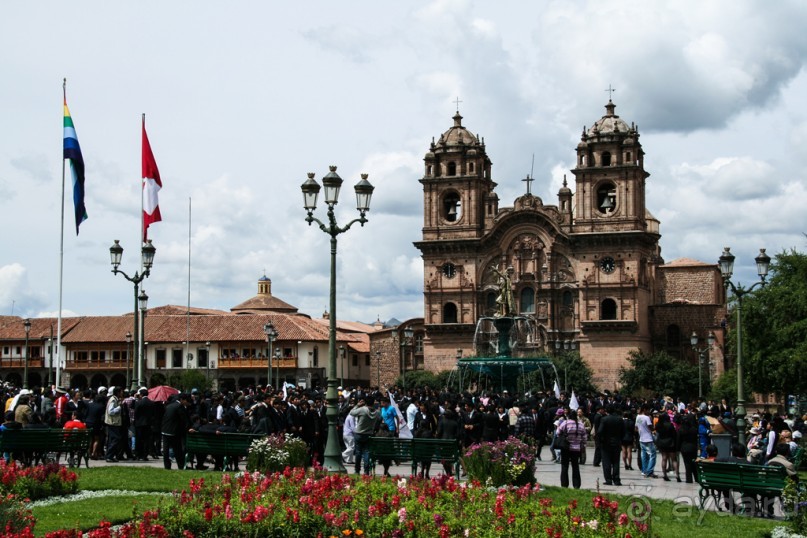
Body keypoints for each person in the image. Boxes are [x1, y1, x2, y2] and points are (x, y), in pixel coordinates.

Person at [557, 408, 588, 489]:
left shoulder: (565, 423)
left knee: (564, 466)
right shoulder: (581, 424)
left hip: (566, 448)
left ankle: (564, 485)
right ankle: (576, 485)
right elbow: (584, 438)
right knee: (575, 466)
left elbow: (558, 433)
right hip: (576, 449)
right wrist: (583, 445)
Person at [161, 393, 192, 470]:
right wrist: (187, 428)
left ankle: (167, 466)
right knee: (177, 450)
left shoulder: (169, 405)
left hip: (165, 430)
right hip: (174, 431)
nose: (186, 402)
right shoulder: (179, 406)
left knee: (166, 450)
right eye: (185, 400)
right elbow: (184, 420)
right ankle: (181, 465)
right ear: (181, 400)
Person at [597, 404, 625, 486]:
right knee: (616, 462)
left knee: (606, 462)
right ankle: (616, 480)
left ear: (606, 410)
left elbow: (599, 431)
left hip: (606, 443)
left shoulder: (604, 419)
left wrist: (600, 440)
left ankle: (608, 479)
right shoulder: (620, 419)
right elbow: (623, 432)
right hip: (616, 443)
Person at [350, 397, 378, 476]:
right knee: (366, 452)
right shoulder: (376, 412)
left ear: (365, 402)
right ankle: (366, 471)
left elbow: (352, 412)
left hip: (359, 433)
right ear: (373, 403)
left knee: (358, 452)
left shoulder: (362, 409)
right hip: (369, 434)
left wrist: (357, 405)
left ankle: (357, 470)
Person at [655, 412, 680, 482]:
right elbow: (674, 434)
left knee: (664, 458)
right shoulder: (670, 425)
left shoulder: (658, 425)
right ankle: (677, 475)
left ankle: (664, 474)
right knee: (674, 459)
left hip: (662, 443)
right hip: (671, 443)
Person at [635, 404, 657, 478]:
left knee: (644, 455)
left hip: (641, 438)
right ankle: (649, 471)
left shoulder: (637, 417)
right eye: (648, 410)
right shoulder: (646, 417)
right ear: (644, 409)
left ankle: (644, 471)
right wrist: (653, 430)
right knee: (653, 455)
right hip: (648, 438)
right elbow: (651, 427)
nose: (648, 411)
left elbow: (636, 428)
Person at [678, 412, 700, 483]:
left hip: (684, 448)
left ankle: (689, 479)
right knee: (694, 463)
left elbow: (679, 440)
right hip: (693, 447)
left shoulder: (681, 429)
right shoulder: (694, 429)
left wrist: (678, 449)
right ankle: (697, 478)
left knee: (687, 464)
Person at [103, 387, 123, 463]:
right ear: (117, 392)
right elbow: (110, 411)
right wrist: (119, 407)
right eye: (121, 392)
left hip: (115, 422)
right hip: (112, 423)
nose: (122, 393)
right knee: (115, 439)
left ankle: (110, 456)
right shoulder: (113, 400)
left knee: (113, 439)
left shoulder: (115, 399)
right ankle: (109, 456)